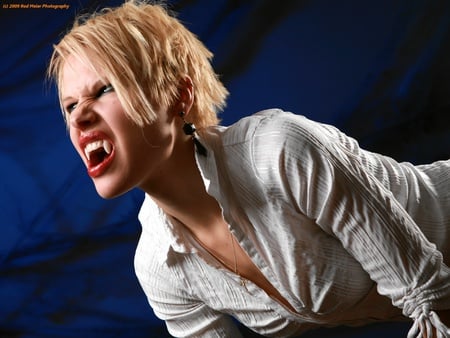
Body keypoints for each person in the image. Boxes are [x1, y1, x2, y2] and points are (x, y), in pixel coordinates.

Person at [47, 1, 450, 337]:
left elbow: (433, 298)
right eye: (69, 106)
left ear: (178, 96)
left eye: (105, 89)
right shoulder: (159, 268)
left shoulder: (280, 152)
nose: (80, 117)